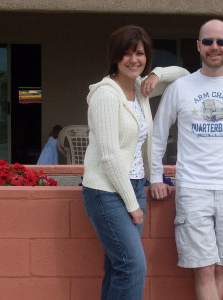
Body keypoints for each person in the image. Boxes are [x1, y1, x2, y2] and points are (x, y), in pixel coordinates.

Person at [150, 19, 223, 300]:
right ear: (198, 46)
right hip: (193, 188)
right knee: (203, 269)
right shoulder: (181, 87)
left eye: (219, 42)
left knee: (221, 268)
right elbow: (158, 133)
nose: (213, 47)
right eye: (207, 42)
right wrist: (156, 176)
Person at [81, 25, 189, 300]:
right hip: (107, 192)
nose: (133, 59)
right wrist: (132, 203)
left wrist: (157, 74)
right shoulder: (106, 94)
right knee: (132, 266)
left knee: (118, 267)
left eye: (140, 54)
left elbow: (184, 75)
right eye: (126, 53)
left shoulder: (141, 89)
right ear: (115, 57)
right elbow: (108, 155)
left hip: (134, 185)